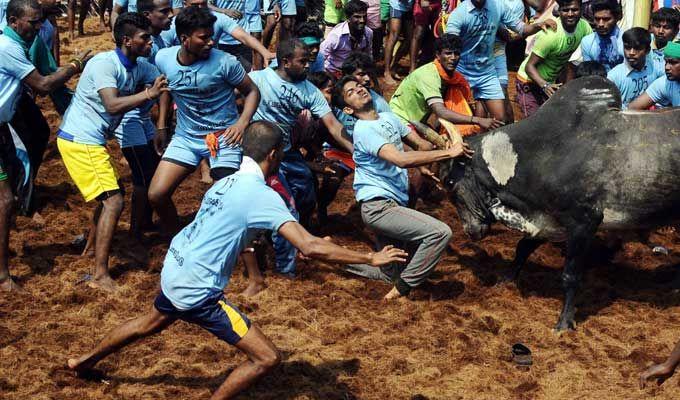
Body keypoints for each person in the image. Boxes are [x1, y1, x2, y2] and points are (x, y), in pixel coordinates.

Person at [67, 121, 408, 399]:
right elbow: (310, 247)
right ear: (274, 155)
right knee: (267, 358)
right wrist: (370, 256)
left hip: (176, 265)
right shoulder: (261, 194)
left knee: (150, 322)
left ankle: (82, 360)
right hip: (198, 288)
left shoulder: (225, 181)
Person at [334, 76, 473, 299]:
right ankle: (401, 290)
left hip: (393, 203)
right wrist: (449, 152)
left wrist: (428, 161)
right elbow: (399, 159)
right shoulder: (364, 130)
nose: (359, 90)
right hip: (379, 207)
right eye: (350, 92)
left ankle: (330, 257)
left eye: (359, 86)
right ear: (348, 110)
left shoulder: (389, 117)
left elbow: (418, 145)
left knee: (390, 271)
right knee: (440, 233)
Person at [57, 12, 168, 292]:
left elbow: (163, 85)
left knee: (109, 195)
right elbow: (112, 104)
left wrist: (161, 120)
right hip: (79, 139)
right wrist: (147, 96)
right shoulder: (103, 64)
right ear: (127, 41)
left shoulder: (140, 65)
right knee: (114, 201)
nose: (150, 42)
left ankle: (92, 253)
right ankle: (100, 276)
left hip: (93, 141)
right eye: (145, 38)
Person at [0, 0, 89, 291]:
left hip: (3, 125)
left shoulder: (22, 41)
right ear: (13, 21)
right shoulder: (8, 48)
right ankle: (2, 276)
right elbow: (43, 84)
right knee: (5, 200)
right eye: (33, 22)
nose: (39, 27)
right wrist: (76, 66)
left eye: (40, 22)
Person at [150, 6, 259, 235]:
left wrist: (242, 123)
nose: (211, 42)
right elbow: (165, 89)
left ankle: (223, 240)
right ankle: (178, 238)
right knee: (156, 194)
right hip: (185, 138)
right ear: (184, 39)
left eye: (211, 36)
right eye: (204, 38)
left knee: (226, 198)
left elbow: (252, 92)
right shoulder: (163, 58)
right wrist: (162, 125)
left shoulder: (225, 62)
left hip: (223, 137)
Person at [249, 39, 354, 275]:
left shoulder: (309, 91)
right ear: (285, 62)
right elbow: (235, 97)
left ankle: (300, 238)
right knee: (286, 207)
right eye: (302, 61)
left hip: (288, 153)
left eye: (309, 61)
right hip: (261, 156)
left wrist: (357, 151)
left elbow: (334, 126)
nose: (308, 66)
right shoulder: (259, 79)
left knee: (307, 194)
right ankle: (285, 267)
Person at [113, 0, 172, 239]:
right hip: (130, 119)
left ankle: (145, 222)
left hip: (145, 117)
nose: (170, 16)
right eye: (164, 12)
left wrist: (161, 124)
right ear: (148, 15)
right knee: (142, 175)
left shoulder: (158, 42)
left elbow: (163, 85)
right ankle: (135, 231)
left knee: (153, 172)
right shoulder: (144, 48)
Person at [446, 0, 557, 123]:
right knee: (452, 116)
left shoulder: (497, 6)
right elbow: (449, 45)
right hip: (463, 70)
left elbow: (522, 29)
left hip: (487, 72)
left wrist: (538, 25)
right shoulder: (459, 14)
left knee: (500, 118)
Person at [389, 34, 503, 135]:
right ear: (438, 55)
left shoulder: (453, 78)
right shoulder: (429, 76)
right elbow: (440, 111)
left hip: (418, 121)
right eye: (448, 53)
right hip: (400, 118)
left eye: (457, 53)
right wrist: (478, 120)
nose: (453, 58)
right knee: (427, 148)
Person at [516, 0, 592, 118]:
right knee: (534, 124)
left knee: (552, 121)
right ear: (559, 11)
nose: (570, 14)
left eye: (574, 9)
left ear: (581, 10)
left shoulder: (584, 27)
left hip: (551, 82)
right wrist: (545, 86)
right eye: (566, 10)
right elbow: (529, 67)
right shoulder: (550, 35)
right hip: (529, 81)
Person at [160, 0, 275, 68]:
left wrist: (265, 52)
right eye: (195, 5)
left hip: (210, 66)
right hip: (182, 68)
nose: (200, 9)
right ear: (184, 4)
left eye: (203, 4)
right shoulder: (172, 25)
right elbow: (162, 52)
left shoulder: (218, 19)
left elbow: (244, 37)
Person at [606, 28, 663, 109]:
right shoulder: (614, 76)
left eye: (637, 48)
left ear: (647, 50)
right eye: (627, 48)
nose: (631, 53)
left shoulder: (655, 68)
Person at [320, 0, 373, 77]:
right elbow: (321, 56)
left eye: (364, 16)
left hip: (354, 72)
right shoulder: (336, 36)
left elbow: (368, 55)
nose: (362, 20)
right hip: (334, 71)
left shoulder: (368, 33)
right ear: (348, 18)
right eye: (357, 17)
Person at [493, 0, 525, 123]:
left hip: (500, 53)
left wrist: (495, 21)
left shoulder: (516, 4)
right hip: (478, 55)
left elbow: (511, 35)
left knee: (502, 93)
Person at [629, 41, 680, 109]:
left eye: (673, 63)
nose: (666, 67)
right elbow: (632, 109)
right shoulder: (665, 83)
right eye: (666, 62)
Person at [578, 0, 623, 72]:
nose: (601, 24)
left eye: (606, 19)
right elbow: (588, 72)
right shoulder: (587, 42)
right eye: (597, 19)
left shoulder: (626, 42)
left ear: (617, 18)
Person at [382, 0, 412, 85]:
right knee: (394, 36)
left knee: (410, 39)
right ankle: (387, 72)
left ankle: (393, 66)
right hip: (397, 6)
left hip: (410, 6)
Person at [409, 0, 440, 73]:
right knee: (418, 34)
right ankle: (412, 68)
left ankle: (434, 65)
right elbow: (424, 4)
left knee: (436, 34)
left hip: (438, 4)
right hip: (423, 4)